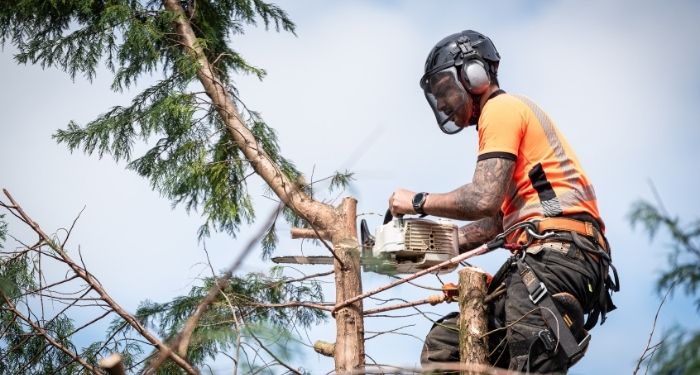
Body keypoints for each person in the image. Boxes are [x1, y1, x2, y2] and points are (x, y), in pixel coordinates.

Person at [388, 30, 618, 373]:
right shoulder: (503, 131)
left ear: (473, 74)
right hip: (544, 255)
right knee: (447, 345)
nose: (441, 103)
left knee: (528, 353)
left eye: (444, 89)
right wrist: (417, 247)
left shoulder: (501, 109)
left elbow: (482, 197)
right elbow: (497, 222)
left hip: (560, 257)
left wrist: (416, 201)